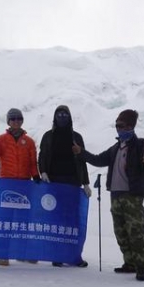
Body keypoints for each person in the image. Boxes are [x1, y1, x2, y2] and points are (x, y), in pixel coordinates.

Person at [72, 109, 144, 281]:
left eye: (121, 125)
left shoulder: (141, 145)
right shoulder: (115, 148)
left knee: (136, 232)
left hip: (132, 196)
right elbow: (97, 160)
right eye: (117, 125)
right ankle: (129, 263)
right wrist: (81, 152)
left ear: (131, 126)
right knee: (121, 231)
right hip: (115, 195)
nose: (118, 129)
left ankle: (141, 267)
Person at [38, 105, 91, 268]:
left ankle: (74, 255)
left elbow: (82, 160)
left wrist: (86, 182)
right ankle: (57, 255)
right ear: (55, 117)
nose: (62, 117)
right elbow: (42, 156)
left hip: (73, 183)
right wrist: (43, 172)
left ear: (70, 117)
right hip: (53, 183)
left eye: (65, 114)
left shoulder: (76, 137)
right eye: (59, 114)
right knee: (56, 220)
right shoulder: (48, 136)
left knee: (73, 221)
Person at [0, 108, 41, 266]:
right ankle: (3, 255)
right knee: (6, 221)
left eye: (19, 119)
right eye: (13, 119)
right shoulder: (1, 139)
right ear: (8, 121)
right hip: (6, 185)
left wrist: (36, 175)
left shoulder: (29, 141)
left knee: (23, 222)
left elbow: (32, 163)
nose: (16, 121)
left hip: (24, 184)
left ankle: (22, 253)